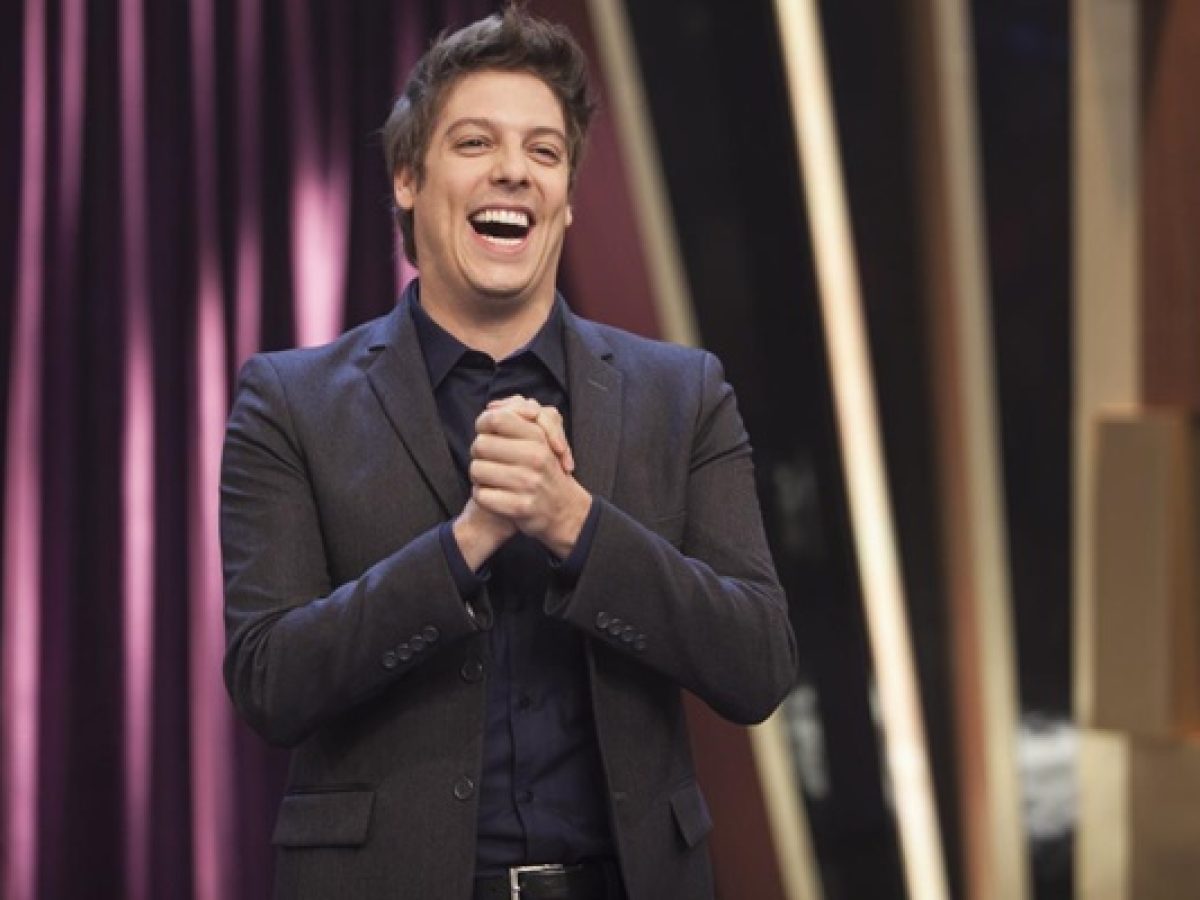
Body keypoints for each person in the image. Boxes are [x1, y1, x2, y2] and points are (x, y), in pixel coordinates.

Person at [220, 6, 797, 899]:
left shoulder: (682, 394)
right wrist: (466, 543)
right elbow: (270, 682)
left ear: (566, 200)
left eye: (544, 151)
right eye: (475, 142)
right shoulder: (289, 401)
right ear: (407, 178)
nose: (513, 171)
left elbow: (757, 665)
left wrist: (577, 527)